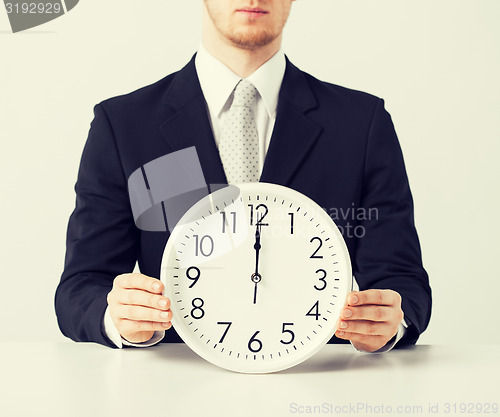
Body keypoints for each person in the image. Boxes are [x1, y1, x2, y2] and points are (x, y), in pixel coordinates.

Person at [55, 0, 431, 353]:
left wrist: (387, 323)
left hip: (316, 380)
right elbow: (81, 286)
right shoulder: (124, 125)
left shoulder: (360, 123)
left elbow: (403, 282)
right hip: (172, 386)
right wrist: (117, 316)